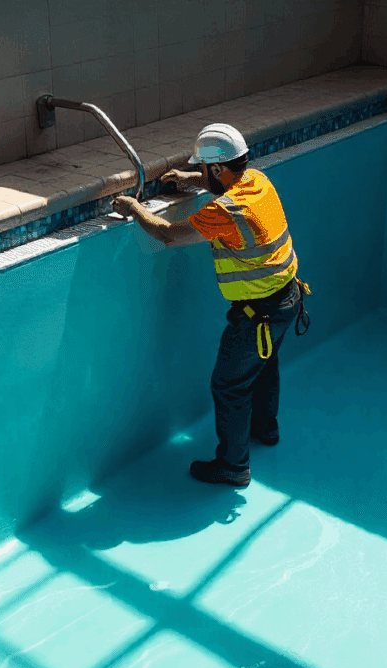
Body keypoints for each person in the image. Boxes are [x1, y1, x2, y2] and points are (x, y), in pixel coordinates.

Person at [112, 123, 311, 488]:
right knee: (264, 368)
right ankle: (265, 430)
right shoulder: (259, 182)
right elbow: (228, 185)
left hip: (258, 316)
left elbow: (168, 234)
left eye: (204, 169)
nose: (202, 174)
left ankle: (233, 466)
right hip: (288, 300)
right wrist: (191, 179)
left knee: (229, 384)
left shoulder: (227, 211)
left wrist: (134, 208)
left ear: (218, 169)